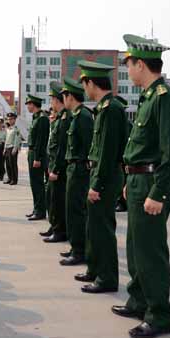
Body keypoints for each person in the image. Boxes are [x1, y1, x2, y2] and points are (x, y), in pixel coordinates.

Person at [112, 34, 170, 338]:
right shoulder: (148, 97)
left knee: (151, 251)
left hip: (153, 182)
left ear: (141, 64)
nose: (128, 71)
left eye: (129, 65)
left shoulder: (164, 98)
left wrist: (158, 192)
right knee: (136, 248)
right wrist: (130, 181)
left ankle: (159, 315)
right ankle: (139, 300)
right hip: (139, 179)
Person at [76, 60, 128, 294]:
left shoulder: (111, 109)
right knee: (94, 226)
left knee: (103, 229)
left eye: (84, 84)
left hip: (105, 177)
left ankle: (106, 278)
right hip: (100, 173)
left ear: (90, 82)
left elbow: (108, 151)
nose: (84, 90)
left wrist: (96, 183)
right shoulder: (104, 108)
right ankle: (95, 269)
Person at [59, 77, 93, 266]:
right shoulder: (77, 116)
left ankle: (80, 251)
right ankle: (75, 247)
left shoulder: (83, 117)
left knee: (77, 211)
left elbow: (89, 147)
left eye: (64, 96)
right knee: (71, 210)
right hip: (73, 167)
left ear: (69, 97)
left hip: (80, 170)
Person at [42, 81, 71, 243]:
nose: (51, 101)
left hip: (59, 168)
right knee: (52, 199)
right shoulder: (59, 119)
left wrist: (56, 169)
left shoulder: (65, 119)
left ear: (58, 100)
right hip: (53, 165)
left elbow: (61, 148)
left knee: (58, 201)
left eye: (52, 98)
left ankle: (60, 230)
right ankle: (54, 226)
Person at [25, 95, 50, 221]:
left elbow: (41, 140)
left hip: (36, 154)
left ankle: (40, 211)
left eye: (28, 104)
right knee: (33, 184)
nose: (27, 106)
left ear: (33, 104)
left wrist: (38, 158)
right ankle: (36, 208)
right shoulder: (35, 118)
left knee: (38, 183)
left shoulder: (42, 119)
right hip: (32, 153)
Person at [4, 112, 21, 185]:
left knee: (13, 164)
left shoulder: (16, 129)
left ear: (14, 120)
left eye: (11, 119)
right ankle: (9, 178)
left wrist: (15, 148)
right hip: (7, 147)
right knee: (7, 164)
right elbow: (6, 139)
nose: (9, 121)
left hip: (12, 148)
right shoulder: (8, 129)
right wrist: (4, 149)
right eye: (8, 119)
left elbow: (17, 140)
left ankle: (14, 179)